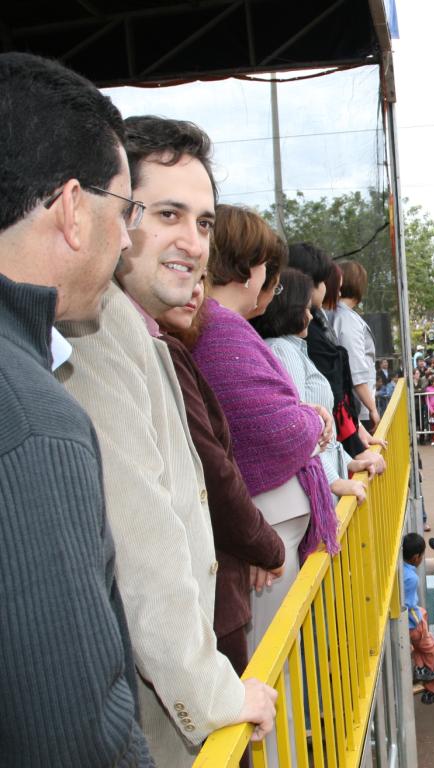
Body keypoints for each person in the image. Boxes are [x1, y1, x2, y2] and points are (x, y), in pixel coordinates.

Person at [56, 117, 276, 763]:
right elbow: (143, 549)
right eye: (169, 214)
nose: (193, 242)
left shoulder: (134, 329)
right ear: (114, 214)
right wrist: (213, 695)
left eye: (204, 223)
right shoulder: (94, 336)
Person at [0, 52, 153, 766]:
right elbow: (76, 734)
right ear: (69, 209)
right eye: (125, 214)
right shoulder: (36, 422)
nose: (128, 240)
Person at [193, 205, 338, 679]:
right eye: (268, 271)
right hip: (266, 536)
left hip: (268, 532)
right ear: (250, 266)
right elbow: (275, 429)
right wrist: (313, 421)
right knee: (274, 676)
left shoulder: (222, 326)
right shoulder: (219, 330)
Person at [158, 278, 286, 677]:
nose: (195, 292)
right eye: (181, 275)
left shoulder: (178, 347)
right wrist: (266, 546)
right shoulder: (168, 349)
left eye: (200, 278)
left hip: (215, 584)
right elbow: (215, 470)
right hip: (203, 596)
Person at [251, 267, 372, 505]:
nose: (310, 315)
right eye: (306, 308)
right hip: (318, 488)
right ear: (291, 309)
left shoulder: (293, 349)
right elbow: (298, 426)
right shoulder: (283, 350)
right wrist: (334, 481)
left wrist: (347, 462)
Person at [289, 246, 386, 474]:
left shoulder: (320, 324)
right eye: (324, 282)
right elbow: (330, 401)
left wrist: (356, 434)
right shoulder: (296, 342)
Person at [402, 534, 434, 705]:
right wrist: (419, 624)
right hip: (413, 624)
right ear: (416, 557)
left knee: (420, 650)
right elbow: (408, 606)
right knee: (430, 650)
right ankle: (432, 690)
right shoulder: (411, 578)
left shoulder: (401, 568)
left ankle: (421, 670)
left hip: (408, 625)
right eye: (422, 555)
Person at [332, 260, 378, 431]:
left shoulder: (341, 315)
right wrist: (372, 408)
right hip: (358, 408)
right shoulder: (346, 319)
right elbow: (356, 370)